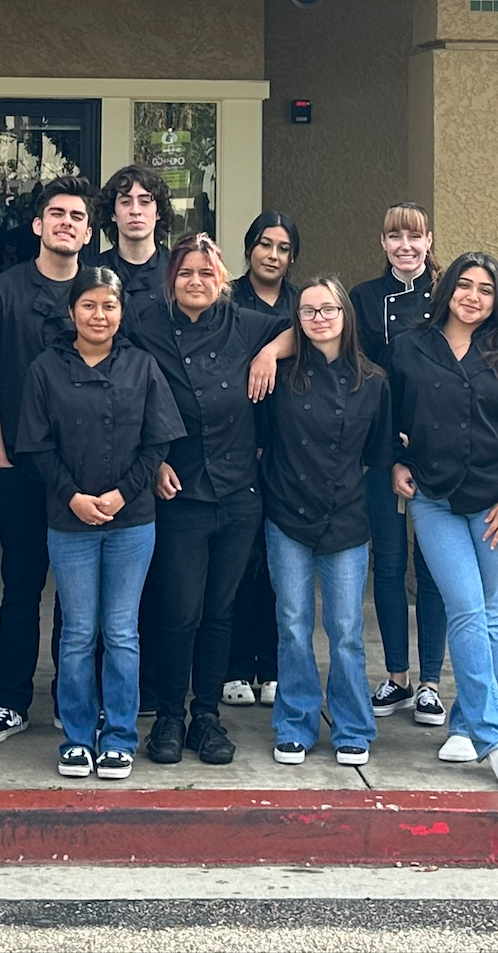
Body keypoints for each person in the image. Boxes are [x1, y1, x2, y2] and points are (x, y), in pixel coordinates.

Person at [389, 252, 498, 791]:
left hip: (497, 505)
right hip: (434, 498)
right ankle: (496, 739)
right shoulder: (410, 347)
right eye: (464, 286)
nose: (473, 297)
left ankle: (463, 725)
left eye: (486, 290)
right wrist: (395, 460)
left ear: (496, 299)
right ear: (447, 291)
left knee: (485, 614)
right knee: (465, 606)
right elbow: (390, 417)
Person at [125, 232, 291, 765]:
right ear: (171, 281)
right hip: (180, 490)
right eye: (185, 273)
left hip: (240, 491)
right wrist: (153, 464)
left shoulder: (244, 322)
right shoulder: (145, 325)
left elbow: (304, 326)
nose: (195, 282)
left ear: (221, 280)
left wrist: (268, 352)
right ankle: (170, 717)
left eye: (205, 273)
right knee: (179, 611)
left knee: (221, 611)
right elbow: (125, 393)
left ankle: (207, 717)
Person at [15, 265, 183, 779]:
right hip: (69, 522)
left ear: (121, 312)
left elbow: (158, 441)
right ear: (72, 313)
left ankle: (119, 737)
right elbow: (37, 446)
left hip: (132, 520)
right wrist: (74, 498)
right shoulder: (46, 368)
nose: (99, 314)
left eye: (109, 305)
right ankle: (77, 735)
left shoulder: (142, 366)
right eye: (88, 305)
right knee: (79, 631)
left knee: (122, 630)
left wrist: (119, 494)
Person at [0, 174, 94, 745]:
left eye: (77, 216)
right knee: (21, 586)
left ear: (89, 232)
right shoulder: (1, 292)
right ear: (38, 225)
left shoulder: (99, 292)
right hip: (19, 466)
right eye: (57, 214)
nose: (67, 222)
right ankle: (10, 699)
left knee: (77, 593)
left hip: (86, 471)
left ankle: (72, 697)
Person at [261, 277, 390, 767]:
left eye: (328, 309)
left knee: (346, 629)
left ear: (344, 315)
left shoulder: (374, 381)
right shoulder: (280, 375)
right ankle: (295, 723)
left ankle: (353, 726)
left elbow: (377, 455)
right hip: (286, 514)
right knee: (293, 624)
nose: (318, 318)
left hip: (347, 519)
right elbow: (263, 442)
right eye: (308, 311)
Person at [350, 202, 448, 728]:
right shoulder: (363, 298)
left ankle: (431, 681)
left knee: (431, 568)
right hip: (382, 449)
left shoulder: (448, 294)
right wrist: (386, 452)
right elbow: (363, 373)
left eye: (414, 237)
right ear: (383, 243)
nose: (405, 246)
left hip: (438, 450)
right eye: (394, 238)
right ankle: (397, 675)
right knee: (387, 565)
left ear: (429, 241)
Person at [223, 211, 300, 708]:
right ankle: (233, 665)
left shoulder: (304, 303)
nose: (273, 255)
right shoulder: (227, 296)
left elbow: (324, 337)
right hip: (239, 446)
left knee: (279, 565)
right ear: (249, 247)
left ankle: (270, 667)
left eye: (284, 248)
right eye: (265, 244)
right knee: (238, 563)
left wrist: (271, 350)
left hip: (291, 450)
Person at [90, 164, 176, 309]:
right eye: (125, 202)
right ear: (112, 214)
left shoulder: (177, 270)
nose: (135, 211)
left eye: (144, 202)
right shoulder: (92, 271)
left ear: (158, 213)